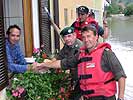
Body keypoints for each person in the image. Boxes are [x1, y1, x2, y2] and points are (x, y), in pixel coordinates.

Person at [34, 25, 126, 100]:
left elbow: (121, 76)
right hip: (88, 97)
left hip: (105, 97)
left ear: (96, 37)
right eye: (84, 37)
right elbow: (63, 63)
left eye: (89, 36)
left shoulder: (106, 54)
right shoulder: (80, 54)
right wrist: (44, 64)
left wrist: (120, 97)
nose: (86, 40)